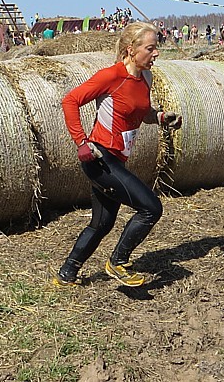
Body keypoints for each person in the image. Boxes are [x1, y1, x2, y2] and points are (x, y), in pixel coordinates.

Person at [51, 22, 182, 288]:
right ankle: (118, 262)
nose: (156, 53)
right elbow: (70, 101)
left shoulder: (146, 77)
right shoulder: (111, 75)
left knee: (101, 223)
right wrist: (81, 142)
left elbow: (139, 112)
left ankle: (66, 274)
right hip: (100, 159)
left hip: (117, 159)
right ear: (130, 49)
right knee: (151, 208)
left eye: (156, 47)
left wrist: (159, 117)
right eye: (150, 48)